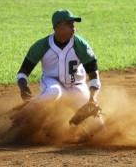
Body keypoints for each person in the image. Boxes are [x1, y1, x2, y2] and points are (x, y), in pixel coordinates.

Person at [9, 9, 103, 140]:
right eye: (68, 23)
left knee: (98, 127)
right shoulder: (42, 45)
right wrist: (23, 87)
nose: (73, 26)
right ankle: (21, 118)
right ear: (57, 26)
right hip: (51, 81)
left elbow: (94, 75)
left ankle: (67, 130)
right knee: (53, 92)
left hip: (77, 86)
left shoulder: (81, 45)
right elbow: (23, 72)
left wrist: (93, 99)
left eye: (73, 23)